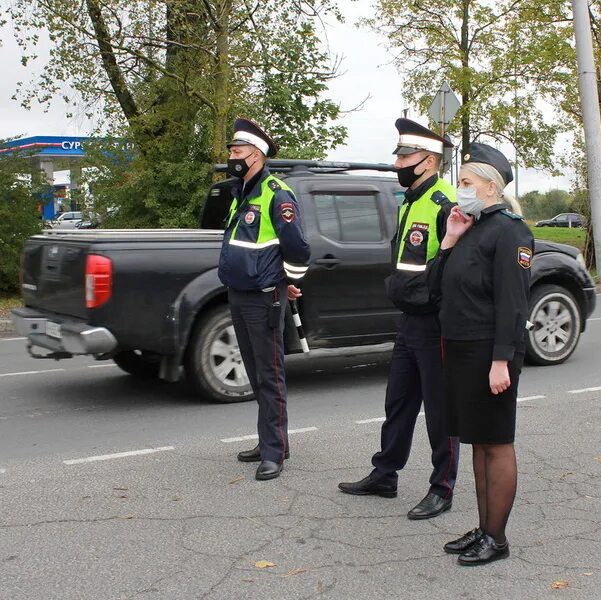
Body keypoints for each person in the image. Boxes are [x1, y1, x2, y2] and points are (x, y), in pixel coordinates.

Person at [338, 118, 460, 520]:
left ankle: (442, 487)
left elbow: (455, 270)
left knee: (440, 411)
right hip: (410, 320)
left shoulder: (445, 203)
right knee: (399, 402)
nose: (399, 163)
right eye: (399, 155)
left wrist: (429, 301)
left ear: (428, 160)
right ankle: (385, 473)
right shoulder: (411, 198)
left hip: (436, 324)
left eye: (405, 156)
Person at [427, 143, 534, 565]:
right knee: (477, 442)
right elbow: (435, 287)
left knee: (497, 442)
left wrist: (501, 361)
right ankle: (484, 527)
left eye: (466, 182)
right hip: (461, 350)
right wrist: (450, 239)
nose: (460, 189)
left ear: (491, 187)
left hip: (491, 353)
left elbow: (513, 302)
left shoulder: (510, 232)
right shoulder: (468, 228)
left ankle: (498, 538)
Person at [218, 118, 311, 481]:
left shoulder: (277, 194)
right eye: (231, 150)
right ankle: (271, 440)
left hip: (264, 297)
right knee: (255, 374)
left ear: (255, 155)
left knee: (270, 375)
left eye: (237, 151)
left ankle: (274, 452)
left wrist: (286, 282)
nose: (232, 156)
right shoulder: (242, 192)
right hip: (239, 294)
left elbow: (298, 249)